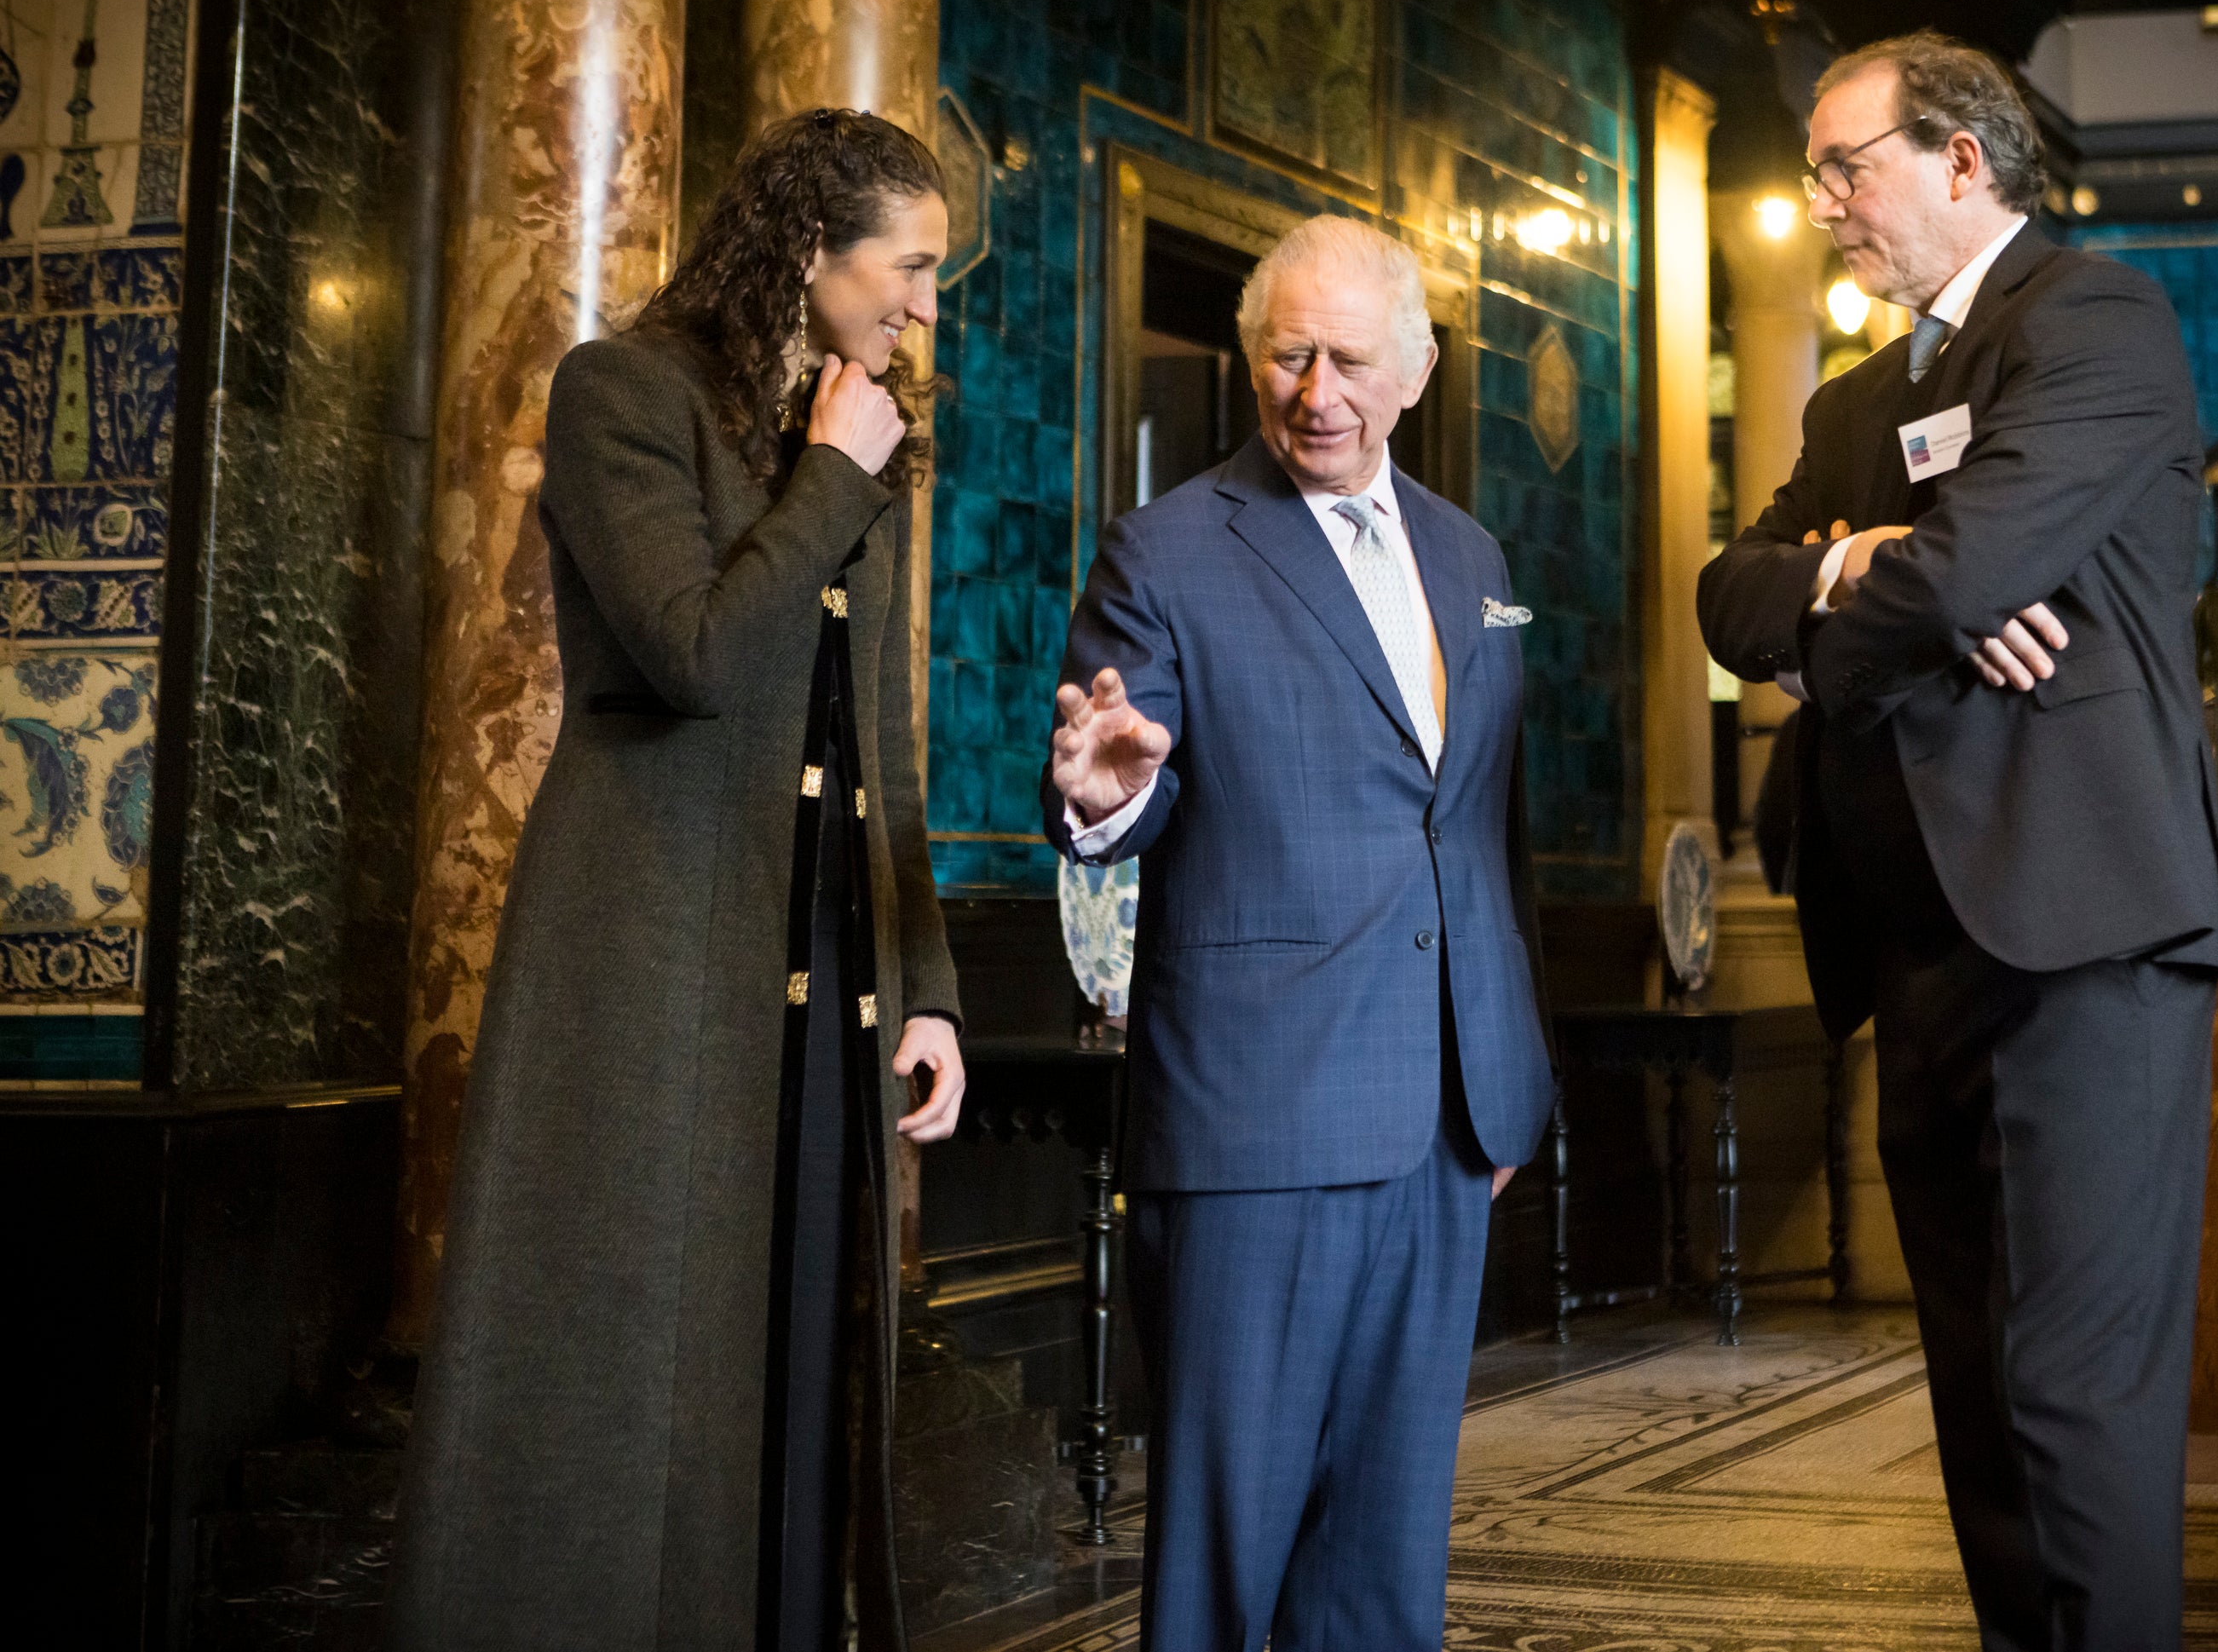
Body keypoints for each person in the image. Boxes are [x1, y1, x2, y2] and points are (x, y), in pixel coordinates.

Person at [1696, 32, 2218, 1650]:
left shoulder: (2093, 318)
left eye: (1842, 168)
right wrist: (1867, 558)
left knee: (2077, 1398)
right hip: (1916, 940)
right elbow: (1734, 597)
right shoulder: (1861, 395)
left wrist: (1886, 583)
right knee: (1979, 1402)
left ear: (1960, 160)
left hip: (2085, 936)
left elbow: (1972, 563)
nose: (1820, 205)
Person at [390, 109, 966, 1652]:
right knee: (633, 1361)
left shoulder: (856, 428)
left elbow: (882, 731)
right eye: (908, 268)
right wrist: (838, 474)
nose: (924, 306)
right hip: (648, 941)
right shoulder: (622, 391)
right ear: (809, 248)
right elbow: (699, 656)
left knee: (788, 1356)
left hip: (819, 951)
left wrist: (928, 990)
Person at [1041, 215, 1554, 1649]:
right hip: (1257, 1121)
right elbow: (1116, 770)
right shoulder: (1169, 547)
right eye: (1287, 355)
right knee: (1224, 1554)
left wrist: (1509, 1075)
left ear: (1419, 370)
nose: (1315, 390)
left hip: (1451, 1125)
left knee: (1386, 1565)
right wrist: (1098, 798)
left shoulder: (1477, 557)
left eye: (1348, 360)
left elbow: (1486, 827)